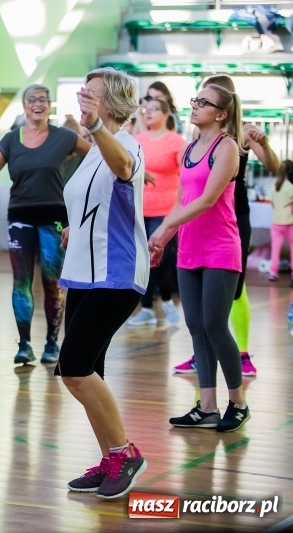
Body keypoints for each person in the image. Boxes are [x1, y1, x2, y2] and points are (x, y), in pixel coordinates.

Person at [60, 67, 148, 499]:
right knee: (89, 370)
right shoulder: (91, 150)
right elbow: (91, 203)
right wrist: (73, 227)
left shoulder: (124, 144)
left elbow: (125, 168)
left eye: (91, 92)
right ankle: (111, 456)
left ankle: (125, 452)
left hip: (116, 274)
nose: (82, 96)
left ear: (110, 102)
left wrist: (94, 125)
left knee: (73, 368)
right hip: (83, 273)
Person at [148, 83, 251, 433]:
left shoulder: (228, 149)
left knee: (215, 325)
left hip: (221, 248)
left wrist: (163, 229)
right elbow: (181, 200)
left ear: (221, 114)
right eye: (195, 99)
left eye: (203, 102)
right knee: (195, 327)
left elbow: (207, 200)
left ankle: (238, 402)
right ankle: (207, 406)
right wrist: (164, 234)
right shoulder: (189, 149)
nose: (195, 106)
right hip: (189, 248)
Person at [0, 84, 91, 364]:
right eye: (32, 99)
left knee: (52, 283)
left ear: (49, 105)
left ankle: (52, 343)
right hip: (20, 216)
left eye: (43, 99)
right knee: (21, 282)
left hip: (54, 216)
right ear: (25, 106)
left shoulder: (65, 136)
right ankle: (24, 344)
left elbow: (98, 156)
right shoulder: (10, 140)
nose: (38, 104)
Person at [127, 98, 185, 327]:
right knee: (141, 259)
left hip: (166, 210)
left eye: (154, 109)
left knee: (157, 258)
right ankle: (148, 309)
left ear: (166, 114)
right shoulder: (138, 140)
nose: (148, 113)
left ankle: (168, 299)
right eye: (146, 110)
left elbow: (186, 176)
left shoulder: (176, 142)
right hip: (140, 208)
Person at [269, 160, 293, 284]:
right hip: (290, 221)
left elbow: (272, 204)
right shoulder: (290, 187)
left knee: (275, 248)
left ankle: (273, 272)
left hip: (276, 221)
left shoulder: (274, 185)